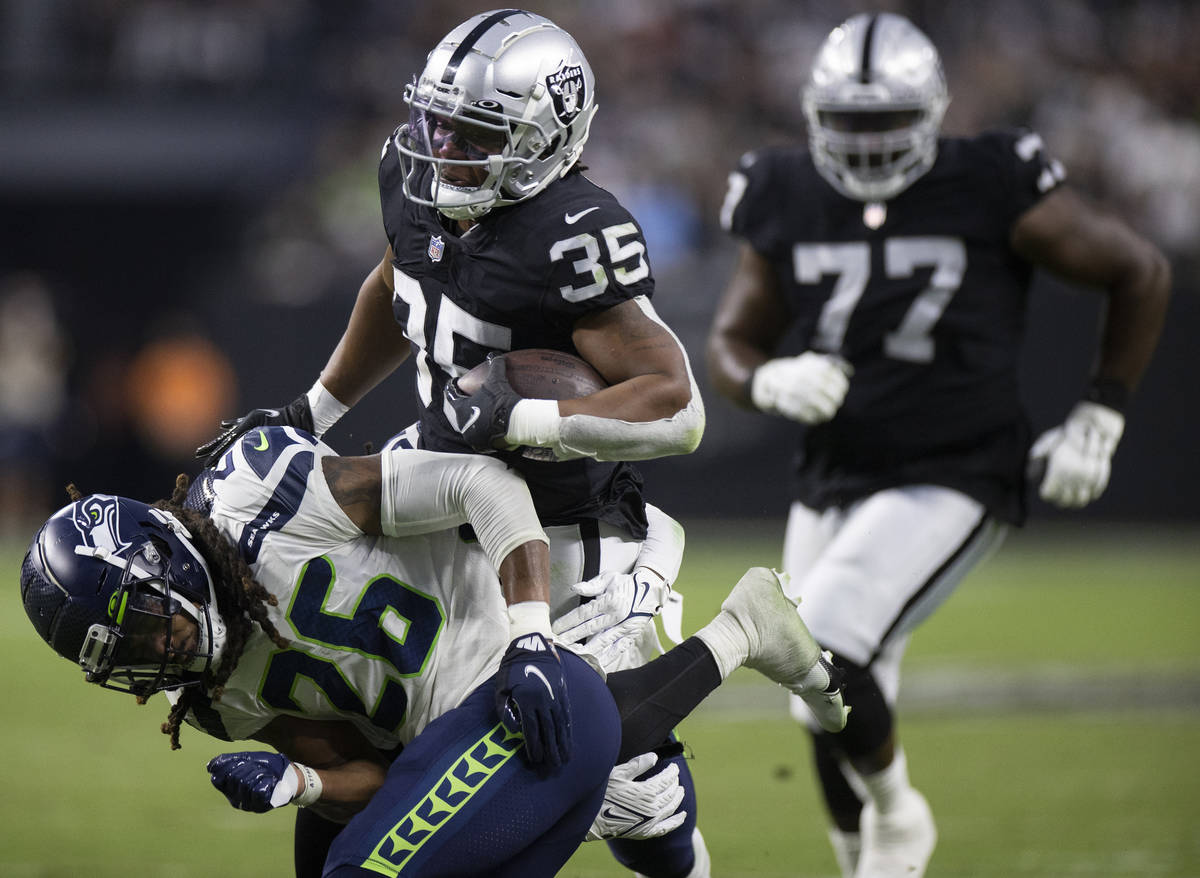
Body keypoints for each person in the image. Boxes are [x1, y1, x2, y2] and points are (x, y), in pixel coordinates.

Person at [195, 10, 709, 877]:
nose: (442, 149)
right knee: (367, 712)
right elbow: (399, 285)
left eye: (474, 134)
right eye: (436, 122)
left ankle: (709, 712)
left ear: (548, 139)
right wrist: (314, 411)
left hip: (558, 532)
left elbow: (676, 409)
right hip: (433, 494)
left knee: (617, 785)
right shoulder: (412, 176)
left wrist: (528, 422)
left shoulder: (574, 234)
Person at [706, 12, 1170, 878]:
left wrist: (1101, 415)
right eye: (850, 120)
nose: (869, 142)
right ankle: (869, 863)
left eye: (886, 120)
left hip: (956, 468)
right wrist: (764, 379)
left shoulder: (990, 180)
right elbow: (732, 339)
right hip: (836, 471)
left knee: (823, 640)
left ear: (932, 113)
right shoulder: (783, 187)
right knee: (815, 698)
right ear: (814, 114)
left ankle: (898, 814)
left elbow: (1139, 269)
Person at [22, 425, 847, 876]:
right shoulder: (210, 698)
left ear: (162, 560)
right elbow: (373, 780)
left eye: (143, 625)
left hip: (527, 624)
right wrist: (301, 782)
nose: (152, 655)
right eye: (121, 657)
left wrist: (529, 635)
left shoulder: (259, 496)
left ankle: (739, 628)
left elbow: (478, 485)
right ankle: (743, 631)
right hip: (446, 740)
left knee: (634, 794)